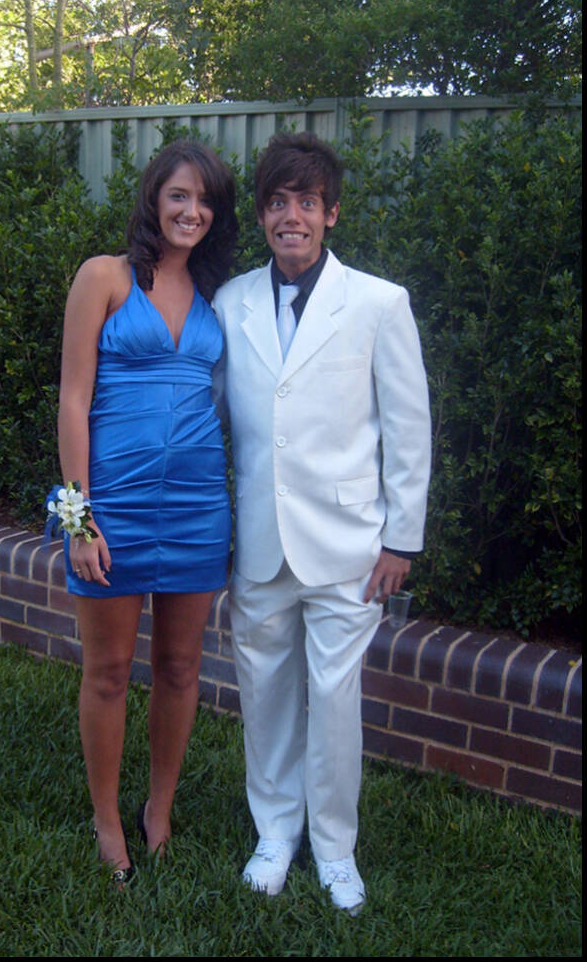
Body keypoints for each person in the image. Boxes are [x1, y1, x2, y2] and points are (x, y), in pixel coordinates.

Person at [212, 131, 431, 913]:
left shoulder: (377, 303)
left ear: (330, 213)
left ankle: (335, 848)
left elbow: (408, 427)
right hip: (260, 546)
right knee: (264, 692)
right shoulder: (231, 302)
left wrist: (400, 537)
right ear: (262, 216)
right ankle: (275, 832)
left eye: (306, 202)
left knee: (335, 705)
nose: (291, 217)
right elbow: (211, 417)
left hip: (347, 548)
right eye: (277, 203)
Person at [57, 140, 237, 886]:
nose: (191, 211)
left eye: (205, 201)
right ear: (153, 199)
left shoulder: (217, 295)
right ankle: (107, 820)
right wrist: (78, 520)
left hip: (198, 507)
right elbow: (72, 401)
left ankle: (157, 809)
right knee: (106, 673)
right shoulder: (103, 276)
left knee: (180, 668)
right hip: (114, 507)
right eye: (178, 196)